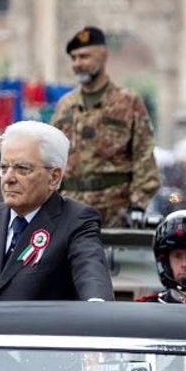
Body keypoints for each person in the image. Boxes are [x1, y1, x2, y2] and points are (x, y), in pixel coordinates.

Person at [0, 120, 113, 303]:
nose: (8, 178)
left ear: (54, 177)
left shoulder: (76, 222)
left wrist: (96, 304)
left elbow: (91, 272)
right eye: (4, 167)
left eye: (22, 169)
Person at [50, 26, 160, 226]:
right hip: (70, 211)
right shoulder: (65, 106)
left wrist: (137, 205)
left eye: (84, 57)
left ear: (103, 56)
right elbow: (51, 157)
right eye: (74, 58)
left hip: (115, 213)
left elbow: (144, 156)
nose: (78, 64)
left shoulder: (128, 103)